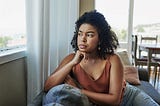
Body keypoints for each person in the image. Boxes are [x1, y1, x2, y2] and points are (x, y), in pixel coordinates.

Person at [43, 10, 159, 106]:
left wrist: (78, 91)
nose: (82, 39)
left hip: (128, 97)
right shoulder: (71, 59)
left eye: (89, 35)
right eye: (80, 33)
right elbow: (47, 86)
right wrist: (72, 63)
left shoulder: (113, 59)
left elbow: (114, 100)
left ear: (100, 38)